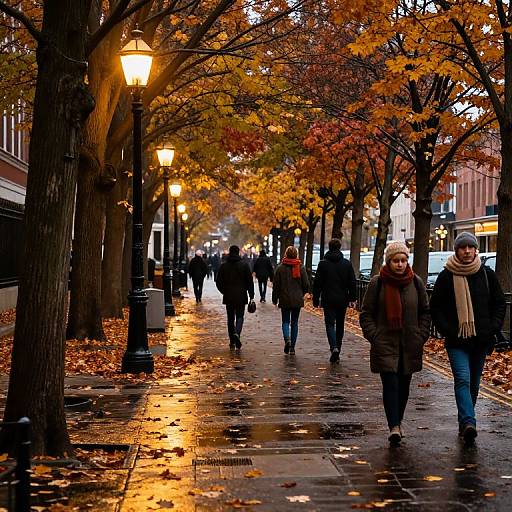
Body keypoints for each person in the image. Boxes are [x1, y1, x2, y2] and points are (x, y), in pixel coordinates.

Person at [430, 232, 505, 444]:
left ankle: (464, 421)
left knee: (473, 384)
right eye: (462, 247)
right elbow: (436, 308)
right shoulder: (446, 277)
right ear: (456, 251)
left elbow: (499, 304)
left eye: (470, 247)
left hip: (481, 340)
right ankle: (469, 420)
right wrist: (448, 330)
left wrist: (492, 328)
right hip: (457, 341)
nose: (466, 251)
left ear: (475, 250)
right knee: (462, 378)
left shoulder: (487, 275)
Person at [359, 241, 430, 444]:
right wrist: (375, 336)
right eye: (395, 260)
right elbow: (366, 314)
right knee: (390, 384)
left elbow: (425, 312)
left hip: (409, 344)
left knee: (404, 387)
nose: (400, 264)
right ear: (388, 262)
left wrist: (421, 335)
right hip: (385, 344)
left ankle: (398, 421)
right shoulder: (377, 283)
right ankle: (394, 426)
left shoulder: (415, 282)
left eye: (403, 260)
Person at [312, 238, 357, 363]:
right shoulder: (346, 264)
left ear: (329, 247)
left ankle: (334, 347)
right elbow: (352, 282)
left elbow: (317, 284)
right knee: (340, 324)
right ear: (339, 247)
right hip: (342, 299)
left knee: (330, 323)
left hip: (328, 298)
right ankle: (338, 348)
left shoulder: (323, 264)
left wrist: (316, 299)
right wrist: (352, 298)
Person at [272, 246, 310, 355]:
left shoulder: (280, 268)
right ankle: (292, 347)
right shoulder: (300, 267)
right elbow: (306, 284)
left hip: (284, 299)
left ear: (286, 254)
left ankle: (286, 339)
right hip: (297, 300)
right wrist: (302, 293)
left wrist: (275, 299)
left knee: (285, 321)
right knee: (294, 323)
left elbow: (276, 286)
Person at [216, 245, 255, 349]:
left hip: (228, 296)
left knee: (230, 318)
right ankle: (237, 333)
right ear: (238, 253)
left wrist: (224, 291)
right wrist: (251, 295)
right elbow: (249, 282)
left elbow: (218, 282)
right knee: (240, 316)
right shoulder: (244, 265)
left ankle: (232, 341)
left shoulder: (224, 266)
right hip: (241, 295)